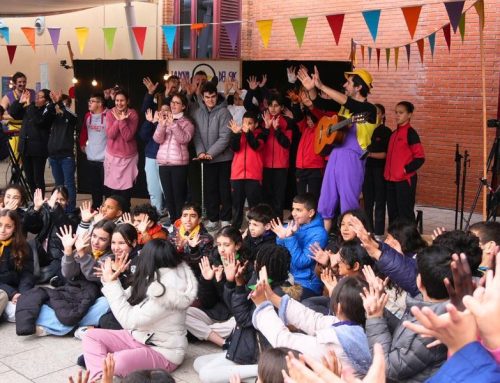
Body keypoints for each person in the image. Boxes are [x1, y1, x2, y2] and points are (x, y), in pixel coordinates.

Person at [82, 239, 198, 380]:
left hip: (163, 351)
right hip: (139, 337)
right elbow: (125, 297)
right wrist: (111, 280)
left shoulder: (168, 293)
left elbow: (129, 321)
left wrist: (112, 284)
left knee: (116, 361)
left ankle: (101, 376)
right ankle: (101, 372)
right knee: (90, 336)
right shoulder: (155, 277)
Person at [194, 244, 297, 383]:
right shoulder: (259, 279)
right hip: (243, 344)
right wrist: (232, 283)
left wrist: (239, 286)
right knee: (198, 363)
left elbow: (244, 319)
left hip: (255, 354)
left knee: (206, 374)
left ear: (265, 266)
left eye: (258, 260)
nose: (255, 262)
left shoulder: (277, 293)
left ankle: (262, 370)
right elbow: (235, 310)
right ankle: (248, 377)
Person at [298, 67, 377, 232]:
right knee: (326, 200)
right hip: (335, 155)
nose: (344, 85)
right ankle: (320, 240)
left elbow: (349, 102)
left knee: (349, 204)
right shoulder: (344, 110)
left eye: (348, 82)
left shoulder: (370, 109)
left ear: (358, 87)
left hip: (352, 158)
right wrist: (312, 89)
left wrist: (322, 86)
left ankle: (351, 245)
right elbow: (320, 103)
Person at [251, 275, 372, 377]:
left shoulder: (335, 343)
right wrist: (272, 297)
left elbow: (286, 343)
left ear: (338, 308)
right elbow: (313, 320)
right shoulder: (360, 330)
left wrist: (262, 307)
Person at [186, 226, 248, 347]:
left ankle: (201, 332)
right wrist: (206, 280)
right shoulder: (213, 261)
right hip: (214, 314)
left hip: (233, 317)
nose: (222, 249)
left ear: (237, 246)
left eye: (226, 245)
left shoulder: (245, 265)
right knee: (183, 314)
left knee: (241, 324)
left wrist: (227, 282)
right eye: (219, 245)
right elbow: (207, 302)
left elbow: (239, 307)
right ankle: (219, 339)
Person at [192, 82, 233, 230]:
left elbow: (225, 137)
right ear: (202, 97)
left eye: (213, 97)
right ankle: (213, 218)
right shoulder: (197, 113)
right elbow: (196, 136)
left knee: (224, 190)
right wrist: (201, 153)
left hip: (223, 159)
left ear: (217, 96)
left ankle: (226, 219)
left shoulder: (225, 112)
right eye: (207, 97)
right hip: (206, 158)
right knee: (210, 190)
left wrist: (210, 153)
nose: (210, 100)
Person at [271, 193, 328, 299]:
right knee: (259, 287)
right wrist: (281, 238)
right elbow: (282, 256)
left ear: (311, 213)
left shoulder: (319, 234)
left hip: (306, 284)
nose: (293, 213)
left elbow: (301, 262)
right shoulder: (294, 225)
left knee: (275, 295)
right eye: (293, 209)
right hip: (288, 278)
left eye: (299, 210)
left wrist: (290, 238)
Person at [154, 92, 195, 222]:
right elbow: (157, 139)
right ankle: (173, 221)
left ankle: (180, 223)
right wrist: (161, 124)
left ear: (183, 106)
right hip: (164, 163)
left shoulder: (187, 122)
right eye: (172, 102)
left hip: (179, 164)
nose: (173, 105)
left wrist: (172, 124)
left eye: (177, 103)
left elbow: (184, 139)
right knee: (168, 196)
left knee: (179, 196)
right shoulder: (165, 119)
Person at [384, 101, 425, 224]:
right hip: (390, 180)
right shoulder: (393, 134)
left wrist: (405, 170)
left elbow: (420, 158)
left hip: (404, 180)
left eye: (401, 113)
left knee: (405, 213)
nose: (397, 115)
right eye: (396, 112)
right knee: (392, 213)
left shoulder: (411, 133)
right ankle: (394, 240)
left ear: (409, 115)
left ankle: (408, 241)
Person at [9, 88, 55, 194]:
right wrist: (20, 102)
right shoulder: (31, 108)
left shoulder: (48, 110)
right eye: (37, 96)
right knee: (29, 178)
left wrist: (29, 105)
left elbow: (39, 121)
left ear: (47, 100)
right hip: (25, 147)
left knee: (37, 178)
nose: (36, 98)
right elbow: (14, 113)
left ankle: (40, 203)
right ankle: (34, 203)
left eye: (40, 97)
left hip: (38, 149)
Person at [228, 112, 266, 229]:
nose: (246, 125)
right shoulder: (239, 134)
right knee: (237, 206)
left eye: (250, 123)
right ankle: (235, 230)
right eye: (244, 122)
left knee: (254, 206)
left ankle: (255, 230)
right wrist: (235, 134)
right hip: (237, 176)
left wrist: (248, 133)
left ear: (256, 124)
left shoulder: (260, 134)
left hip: (253, 176)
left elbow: (256, 146)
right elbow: (234, 148)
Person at [104, 90, 139, 211]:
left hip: (128, 157)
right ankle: (112, 212)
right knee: (113, 189)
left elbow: (128, 136)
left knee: (126, 190)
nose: (119, 103)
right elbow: (110, 135)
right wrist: (118, 120)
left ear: (127, 101)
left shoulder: (133, 114)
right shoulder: (109, 113)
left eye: (122, 100)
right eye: (117, 100)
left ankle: (124, 213)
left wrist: (122, 120)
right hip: (112, 156)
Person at [261, 93, 292, 220]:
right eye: (270, 105)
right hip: (265, 164)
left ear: (282, 107)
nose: (273, 108)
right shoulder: (262, 120)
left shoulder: (287, 121)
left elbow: (287, 144)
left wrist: (277, 129)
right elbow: (259, 142)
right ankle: (266, 225)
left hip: (281, 165)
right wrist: (267, 128)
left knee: (279, 198)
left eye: (276, 106)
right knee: (266, 197)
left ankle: (278, 227)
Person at [362, 104, 392, 239]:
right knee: (367, 202)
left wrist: (369, 154)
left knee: (380, 202)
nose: (375, 116)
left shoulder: (386, 131)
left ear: (383, 115)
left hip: (380, 170)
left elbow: (386, 155)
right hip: (366, 169)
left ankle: (379, 233)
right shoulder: (365, 129)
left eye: (378, 113)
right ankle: (369, 231)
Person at [0, 209, 35, 322]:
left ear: (15, 227)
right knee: (3, 297)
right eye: (0, 225)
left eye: (8, 226)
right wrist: (12, 293)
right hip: (5, 291)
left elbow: (27, 274)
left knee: (23, 309)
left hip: (13, 290)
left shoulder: (23, 246)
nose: (2, 230)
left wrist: (21, 294)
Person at [47, 92, 78, 213]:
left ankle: (70, 211)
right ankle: (58, 210)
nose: (61, 106)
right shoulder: (53, 117)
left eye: (65, 103)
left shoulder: (71, 116)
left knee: (69, 184)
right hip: (53, 156)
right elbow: (44, 115)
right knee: (58, 185)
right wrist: (54, 103)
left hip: (66, 157)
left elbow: (73, 117)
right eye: (60, 102)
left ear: (68, 104)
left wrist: (60, 103)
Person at [80, 93, 108, 210]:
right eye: (89, 101)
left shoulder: (109, 115)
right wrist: (82, 145)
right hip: (91, 157)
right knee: (94, 186)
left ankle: (108, 208)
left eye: (92, 101)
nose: (89, 103)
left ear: (100, 103)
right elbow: (83, 132)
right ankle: (96, 207)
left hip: (105, 159)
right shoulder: (87, 116)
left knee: (107, 187)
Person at [169, 202, 213, 276]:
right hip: (176, 274)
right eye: (185, 215)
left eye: (193, 216)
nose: (188, 219)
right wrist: (179, 249)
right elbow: (168, 260)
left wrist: (194, 250)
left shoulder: (206, 239)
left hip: (195, 275)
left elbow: (204, 266)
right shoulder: (173, 236)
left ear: (199, 220)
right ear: (181, 219)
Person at [0, 72, 36, 159]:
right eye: (20, 82)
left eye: (24, 82)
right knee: (16, 156)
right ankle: (16, 171)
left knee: (29, 156)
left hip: (29, 128)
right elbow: (1, 112)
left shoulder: (32, 93)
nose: (22, 84)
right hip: (14, 129)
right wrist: (11, 116)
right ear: (15, 83)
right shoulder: (8, 96)